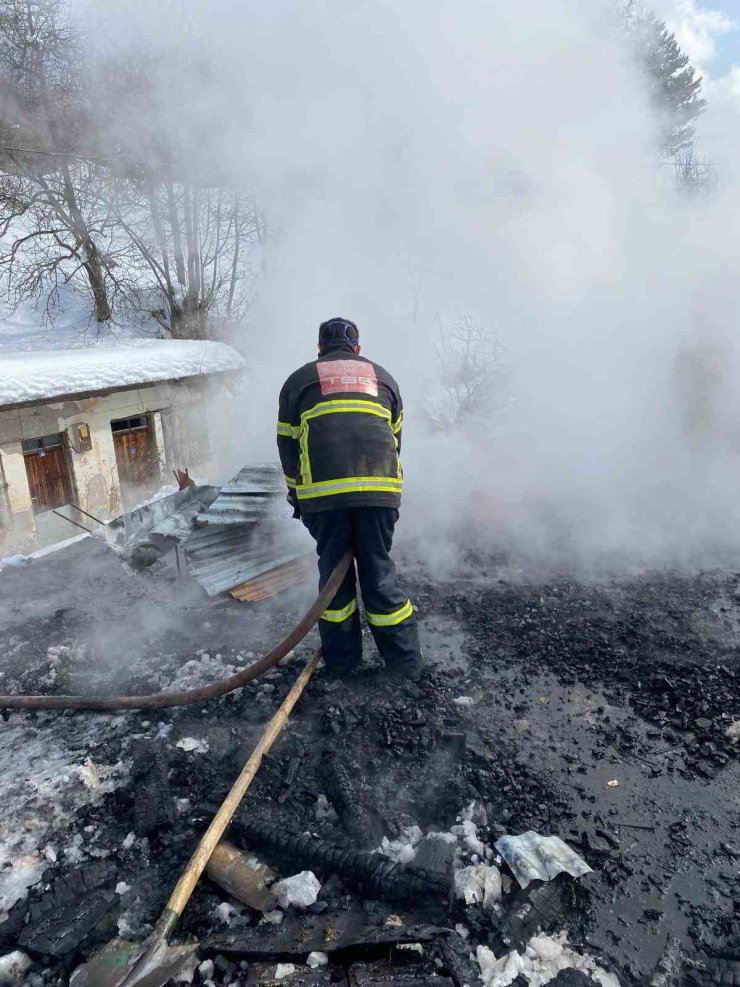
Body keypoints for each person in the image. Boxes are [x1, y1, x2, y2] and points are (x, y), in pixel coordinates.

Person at [276, 317, 423, 681]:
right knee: (378, 571)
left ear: (320, 349)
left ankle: (343, 665)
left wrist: (297, 494)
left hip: (324, 500)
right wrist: (381, 490)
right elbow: (395, 441)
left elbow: (288, 445)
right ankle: (406, 669)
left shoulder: (298, 380)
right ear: (357, 349)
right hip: (380, 495)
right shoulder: (384, 377)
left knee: (335, 581)